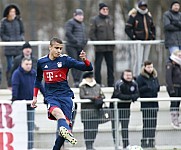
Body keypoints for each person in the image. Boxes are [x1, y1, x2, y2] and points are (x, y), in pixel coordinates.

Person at [31, 37, 93, 150]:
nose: (59, 51)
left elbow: (88, 68)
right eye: (56, 48)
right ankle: (67, 131)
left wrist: (85, 60)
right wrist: (35, 97)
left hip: (66, 97)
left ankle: (61, 141)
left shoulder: (65, 60)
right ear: (50, 47)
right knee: (59, 115)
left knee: (63, 130)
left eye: (60, 48)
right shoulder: (41, 62)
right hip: (51, 97)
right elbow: (38, 80)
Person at [110, 69, 139, 150]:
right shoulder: (119, 83)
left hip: (126, 109)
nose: (129, 77)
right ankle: (116, 144)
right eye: (127, 75)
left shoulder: (134, 84)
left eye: (130, 75)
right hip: (115, 109)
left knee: (125, 127)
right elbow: (118, 95)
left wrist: (133, 97)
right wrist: (130, 97)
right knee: (115, 127)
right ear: (123, 75)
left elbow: (137, 94)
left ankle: (126, 144)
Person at [125, 0, 156, 76]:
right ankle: (136, 75)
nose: (143, 8)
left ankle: (144, 75)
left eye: (144, 6)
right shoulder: (134, 15)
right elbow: (127, 28)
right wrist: (133, 37)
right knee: (138, 59)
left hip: (147, 41)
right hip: (138, 41)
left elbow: (153, 27)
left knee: (145, 60)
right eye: (142, 6)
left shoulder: (148, 15)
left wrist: (153, 36)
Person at [11, 58, 36, 150]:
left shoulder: (33, 73)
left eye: (30, 64)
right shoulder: (17, 74)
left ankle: (30, 147)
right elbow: (15, 85)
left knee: (30, 128)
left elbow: (39, 85)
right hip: (20, 105)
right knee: (20, 127)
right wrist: (14, 97)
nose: (28, 66)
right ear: (22, 64)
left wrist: (46, 96)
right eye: (26, 64)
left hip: (30, 105)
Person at [89, 3, 115, 87]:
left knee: (110, 67)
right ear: (100, 10)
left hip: (109, 47)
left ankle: (111, 83)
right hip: (100, 48)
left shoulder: (110, 19)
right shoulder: (95, 20)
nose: (105, 11)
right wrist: (97, 44)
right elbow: (91, 34)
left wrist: (113, 42)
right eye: (104, 9)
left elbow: (113, 32)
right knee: (98, 66)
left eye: (107, 9)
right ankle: (98, 83)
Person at [136, 60, 160, 149]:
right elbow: (138, 89)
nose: (150, 69)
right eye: (148, 67)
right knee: (147, 123)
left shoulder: (154, 77)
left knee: (153, 123)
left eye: (151, 67)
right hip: (146, 104)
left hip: (154, 103)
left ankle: (151, 140)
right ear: (145, 67)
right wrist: (147, 88)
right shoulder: (141, 78)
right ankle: (144, 141)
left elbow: (157, 86)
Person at [79, 71, 105, 150]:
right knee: (87, 130)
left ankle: (91, 144)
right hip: (87, 112)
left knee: (94, 129)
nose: (91, 79)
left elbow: (102, 95)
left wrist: (99, 99)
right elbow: (82, 96)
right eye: (89, 77)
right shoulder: (82, 86)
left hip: (96, 111)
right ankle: (88, 146)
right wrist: (93, 98)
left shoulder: (97, 86)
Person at [0, 4, 24, 86]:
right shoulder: (4, 22)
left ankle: (18, 83)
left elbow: (22, 32)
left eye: (14, 12)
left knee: (19, 65)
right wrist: (9, 40)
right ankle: (9, 83)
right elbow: (2, 34)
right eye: (11, 12)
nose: (13, 13)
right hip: (9, 48)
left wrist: (20, 39)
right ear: (8, 13)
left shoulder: (18, 21)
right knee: (10, 66)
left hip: (18, 47)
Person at [65, 8, 87, 88]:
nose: (81, 17)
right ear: (75, 15)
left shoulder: (83, 25)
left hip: (80, 47)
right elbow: (68, 33)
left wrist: (84, 42)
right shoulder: (70, 23)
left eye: (82, 15)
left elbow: (84, 35)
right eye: (79, 15)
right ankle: (76, 81)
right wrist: (76, 42)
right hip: (72, 46)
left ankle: (79, 79)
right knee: (74, 63)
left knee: (81, 63)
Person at [165, 50, 181, 129]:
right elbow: (168, 78)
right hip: (174, 86)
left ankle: (178, 119)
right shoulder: (170, 64)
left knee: (178, 103)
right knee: (174, 103)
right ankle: (174, 120)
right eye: (179, 55)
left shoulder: (179, 65)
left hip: (179, 87)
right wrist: (171, 88)